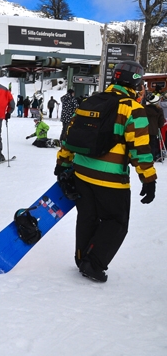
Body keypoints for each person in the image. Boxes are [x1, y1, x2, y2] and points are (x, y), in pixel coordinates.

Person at [55, 60, 157, 283]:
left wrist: (62, 163)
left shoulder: (90, 101)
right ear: (136, 83)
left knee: (87, 217)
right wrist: (148, 179)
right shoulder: (133, 109)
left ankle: (82, 257)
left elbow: (70, 135)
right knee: (116, 222)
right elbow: (140, 148)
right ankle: (94, 263)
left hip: (81, 173)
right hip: (110, 180)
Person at [143, 94, 165, 161]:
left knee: (144, 144)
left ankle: (143, 157)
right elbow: (161, 122)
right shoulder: (159, 110)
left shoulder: (143, 108)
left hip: (143, 129)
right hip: (153, 130)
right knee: (153, 144)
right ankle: (152, 157)